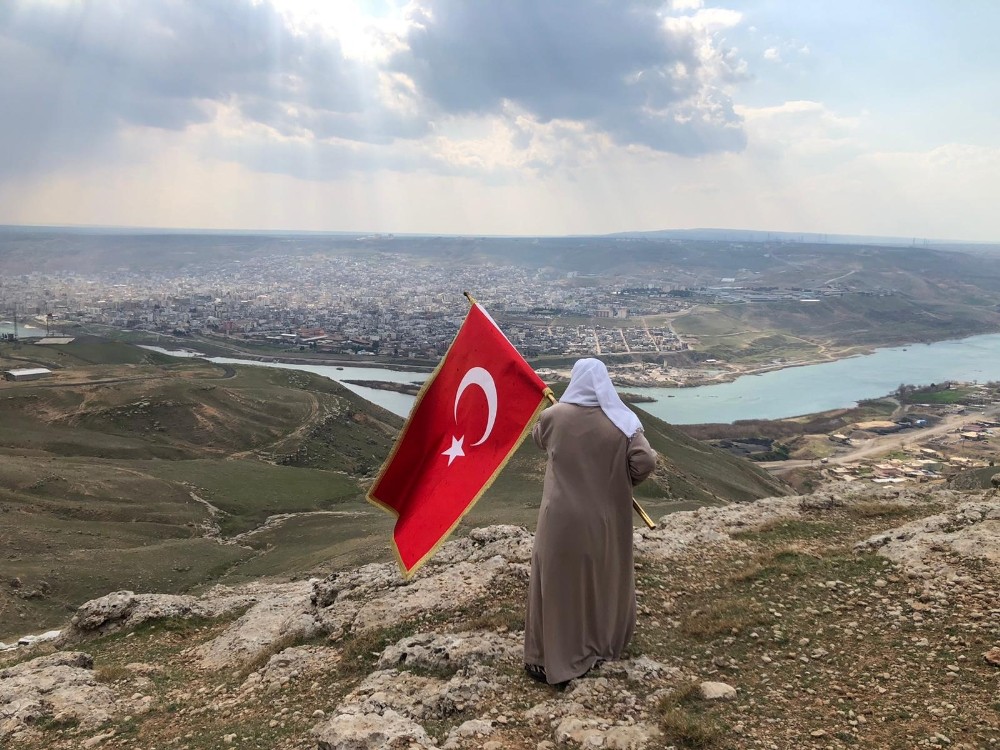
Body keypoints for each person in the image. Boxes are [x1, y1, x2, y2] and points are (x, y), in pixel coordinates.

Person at [524, 358, 658, 686]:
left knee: (556, 584)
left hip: (558, 520)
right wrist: (620, 481)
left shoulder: (554, 417)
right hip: (603, 520)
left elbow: (537, 438)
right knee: (600, 580)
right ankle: (598, 646)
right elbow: (645, 461)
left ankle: (543, 659)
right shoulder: (623, 422)